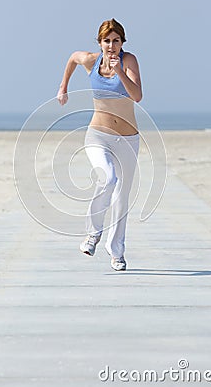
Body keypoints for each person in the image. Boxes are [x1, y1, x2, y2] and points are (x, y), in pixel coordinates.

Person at [57, 18, 142, 271]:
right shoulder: (91, 61)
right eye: (107, 41)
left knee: (122, 198)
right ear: (100, 42)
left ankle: (116, 253)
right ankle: (93, 234)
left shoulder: (129, 61)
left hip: (128, 139)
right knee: (108, 180)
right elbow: (73, 57)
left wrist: (118, 72)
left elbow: (137, 96)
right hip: (97, 135)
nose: (111, 46)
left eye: (116, 41)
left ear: (122, 42)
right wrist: (63, 87)